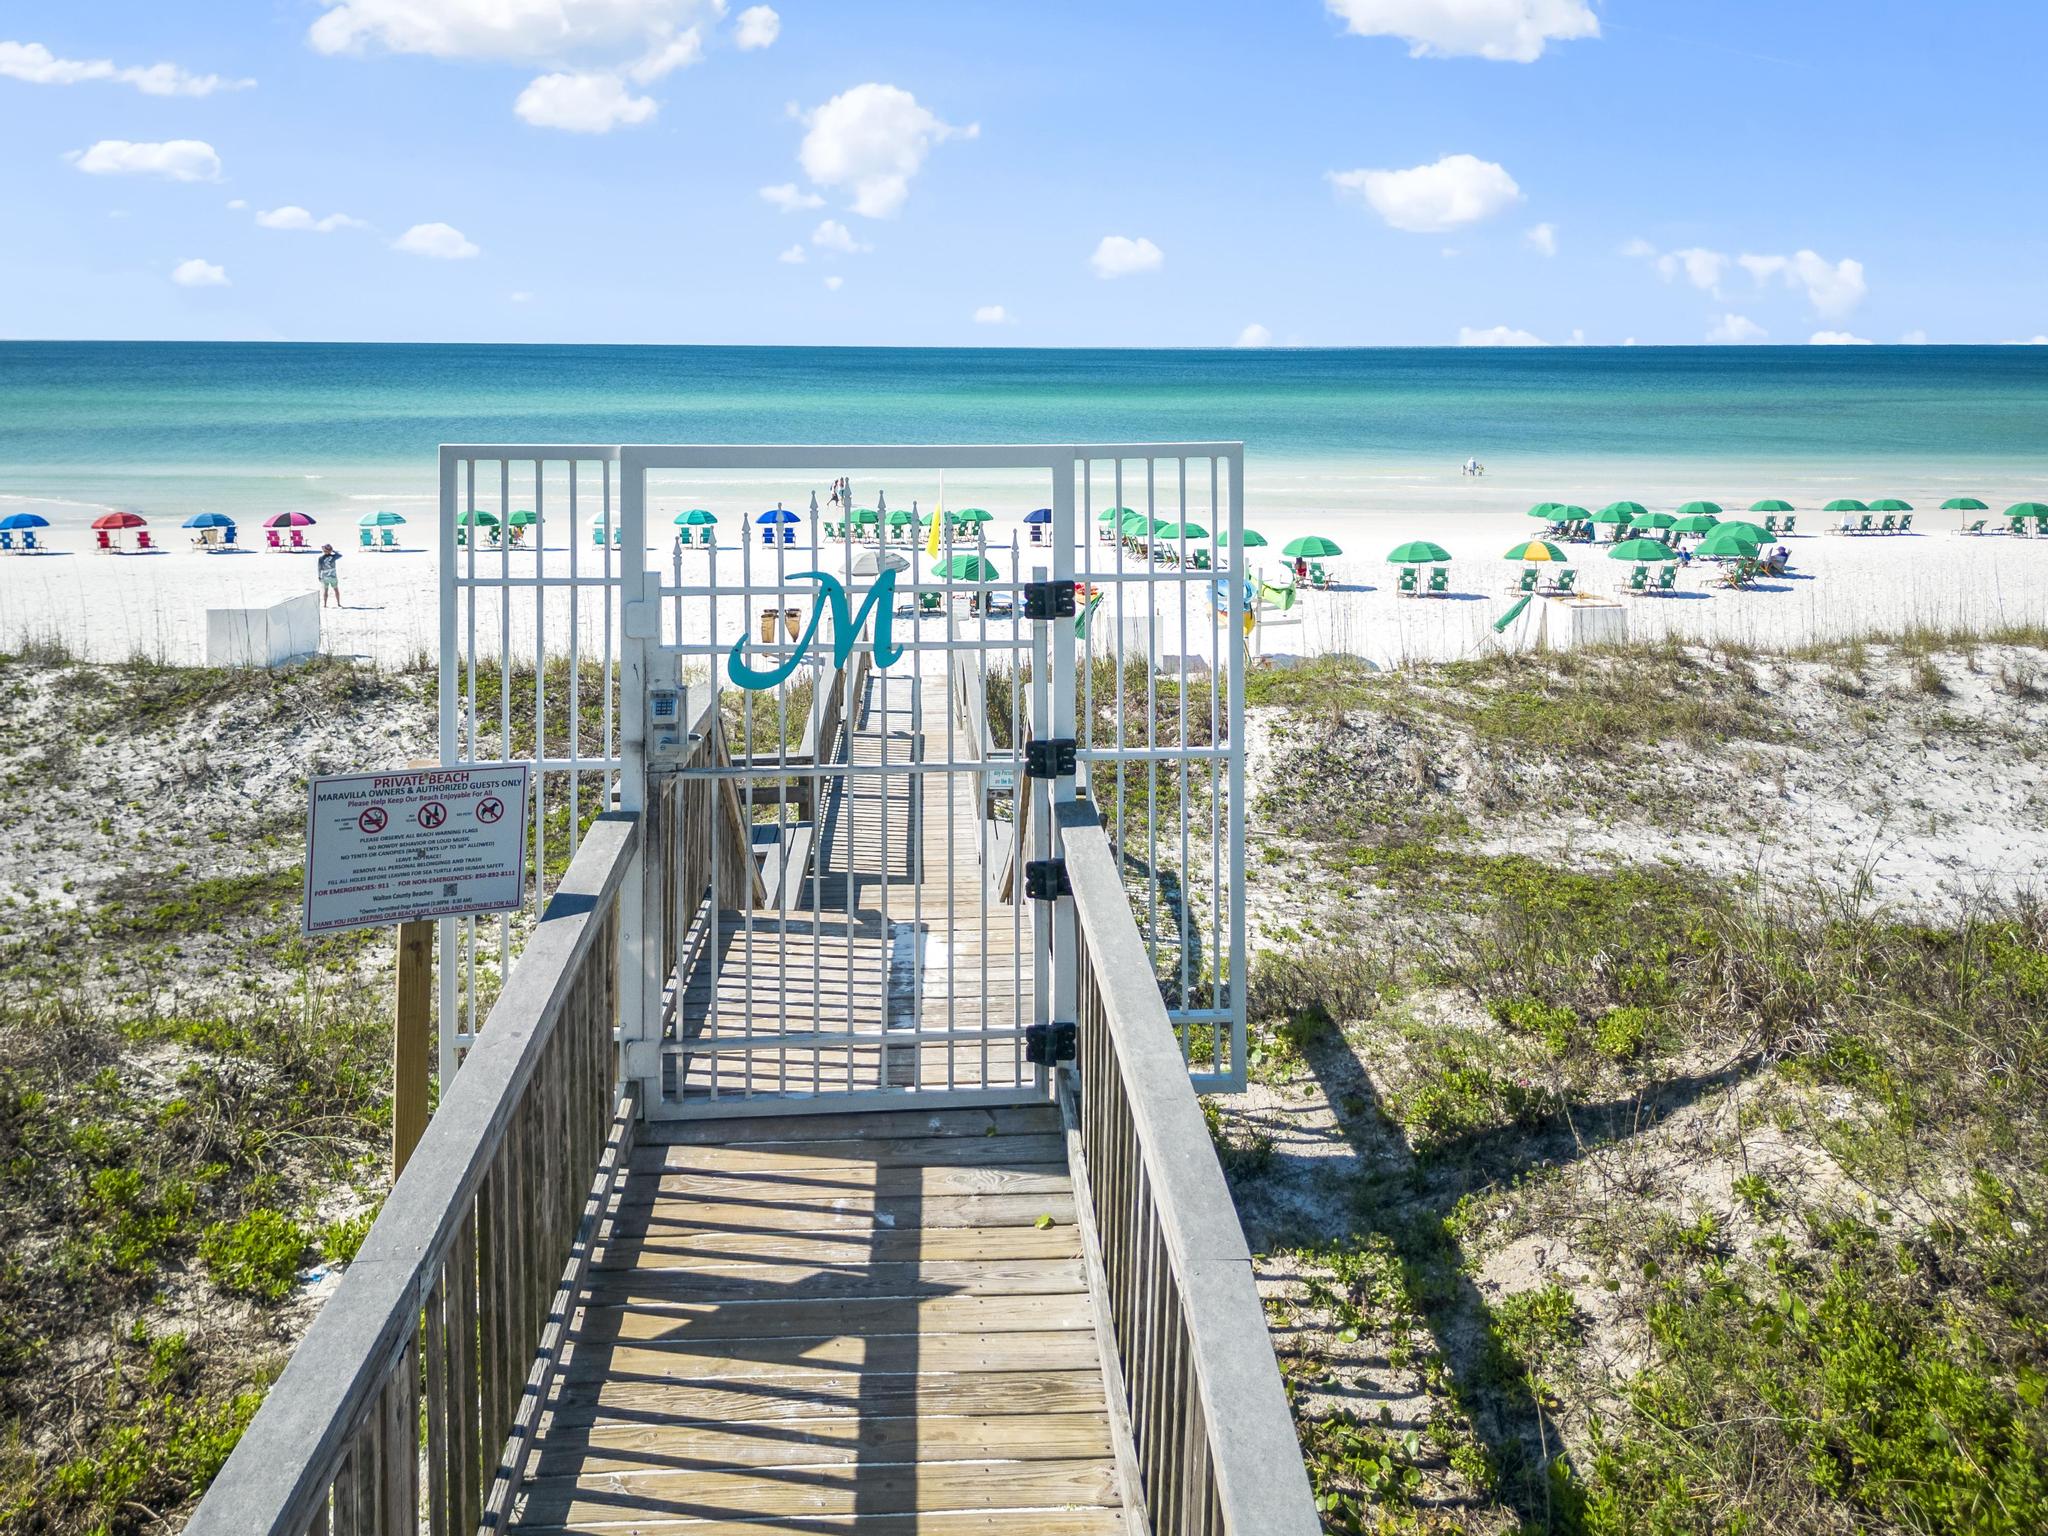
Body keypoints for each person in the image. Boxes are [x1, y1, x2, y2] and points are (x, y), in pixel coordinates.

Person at [317, 542, 342, 607]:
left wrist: (319, 576)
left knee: (325, 590)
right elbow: (340, 555)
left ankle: (325, 604)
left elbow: (319, 568)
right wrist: (333, 551)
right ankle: (338, 603)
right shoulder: (333, 556)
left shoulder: (320, 558)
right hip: (333, 576)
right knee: (336, 590)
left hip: (325, 576)